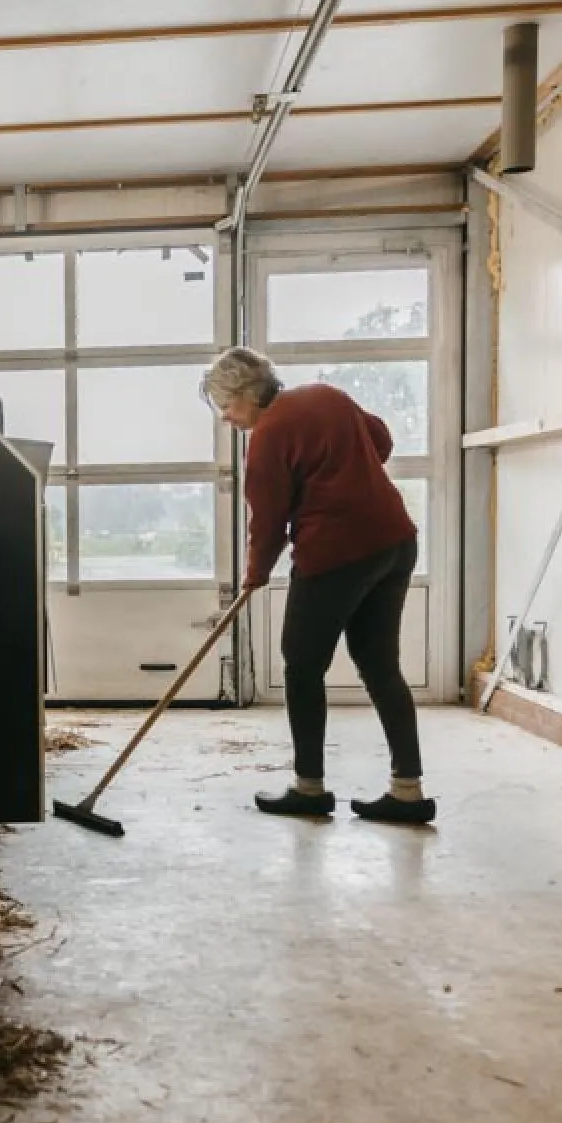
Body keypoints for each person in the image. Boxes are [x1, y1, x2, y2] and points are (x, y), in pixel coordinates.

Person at [203, 346, 434, 825]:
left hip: (336, 553)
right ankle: (407, 792)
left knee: (302, 665)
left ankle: (309, 788)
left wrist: (255, 574)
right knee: (379, 666)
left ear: (247, 395)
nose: (226, 418)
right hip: (393, 542)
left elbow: (266, 521)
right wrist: (342, 467)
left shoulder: (267, 436)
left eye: (226, 405)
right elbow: (382, 441)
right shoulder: (328, 395)